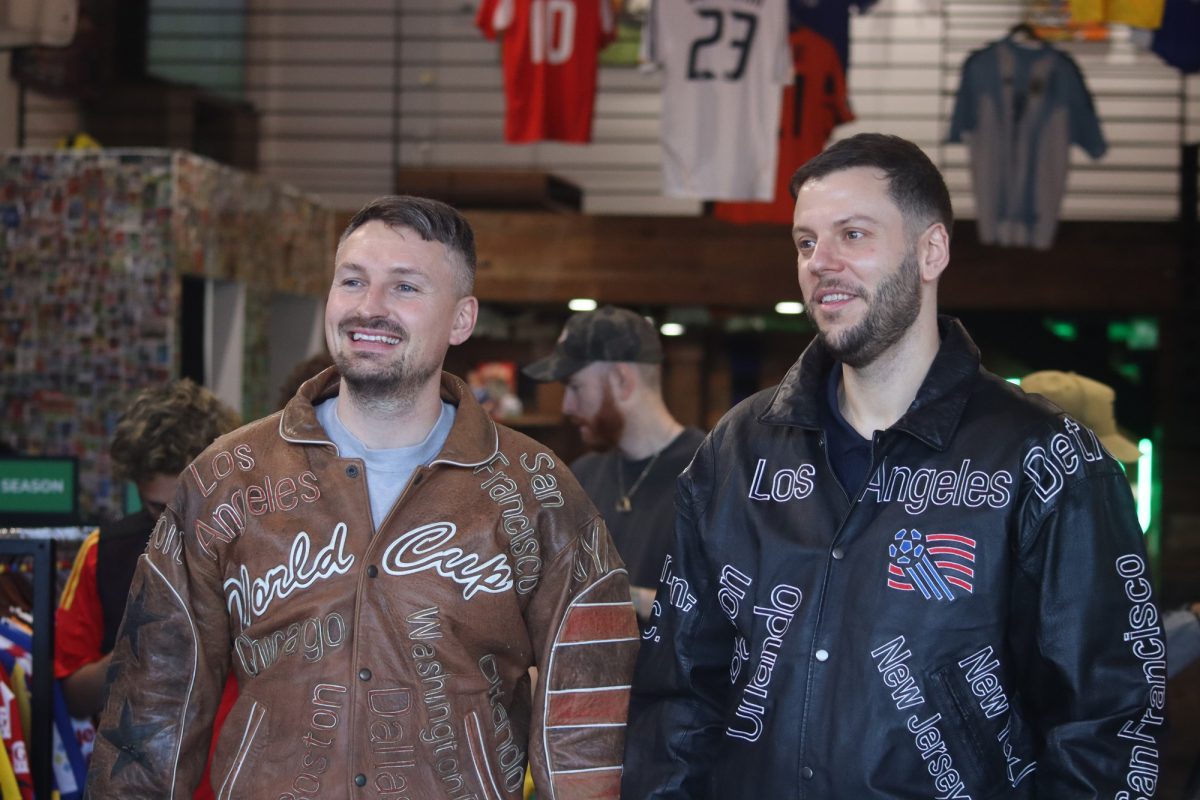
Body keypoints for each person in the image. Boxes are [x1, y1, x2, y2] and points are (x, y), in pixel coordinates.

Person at [622, 133, 1163, 798]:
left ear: (931, 250)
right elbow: (677, 694)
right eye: (805, 242)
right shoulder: (739, 449)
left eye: (853, 234)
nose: (821, 262)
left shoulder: (1044, 461)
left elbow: (1105, 725)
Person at [85, 195, 638, 799]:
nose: (369, 307)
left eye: (405, 288)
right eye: (353, 281)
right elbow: (155, 702)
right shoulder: (228, 479)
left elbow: (587, 715)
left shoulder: (538, 491)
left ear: (461, 319)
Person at [55, 379, 240, 800]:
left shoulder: (263, 549)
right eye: (157, 507)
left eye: (186, 505)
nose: (170, 523)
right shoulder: (106, 553)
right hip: (141, 784)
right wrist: (138, 647)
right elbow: (72, 694)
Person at [523, 305, 705, 622]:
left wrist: (615, 594)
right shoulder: (581, 476)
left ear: (622, 380)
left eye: (575, 387)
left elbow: (722, 610)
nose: (567, 406)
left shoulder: (709, 474)